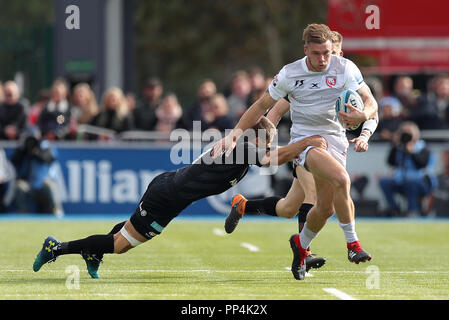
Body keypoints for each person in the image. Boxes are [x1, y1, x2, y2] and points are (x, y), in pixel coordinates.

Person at [32, 117, 327, 279]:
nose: (270, 145)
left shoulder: (241, 147)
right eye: (269, 140)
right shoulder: (245, 148)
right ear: (257, 138)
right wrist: (308, 142)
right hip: (167, 196)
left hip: (170, 195)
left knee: (124, 240)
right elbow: (273, 159)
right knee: (119, 244)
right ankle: (57, 248)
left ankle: (92, 252)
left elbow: (269, 151)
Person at [213, 24, 378, 280]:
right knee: (336, 182)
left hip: (336, 143)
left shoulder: (345, 70)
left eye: (328, 52)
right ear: (306, 51)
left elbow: (371, 103)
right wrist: (242, 136)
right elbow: (266, 107)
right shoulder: (291, 75)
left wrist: (363, 116)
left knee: (305, 208)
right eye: (317, 53)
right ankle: (350, 245)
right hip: (305, 143)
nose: (324, 59)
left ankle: (292, 239)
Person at [378, 121, 438, 217]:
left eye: (408, 132)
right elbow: (390, 162)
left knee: (411, 182)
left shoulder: (423, 147)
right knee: (384, 181)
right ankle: (394, 209)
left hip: (422, 182)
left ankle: (413, 210)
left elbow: (422, 164)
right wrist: (395, 145)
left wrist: (411, 152)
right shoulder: (399, 148)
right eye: (403, 132)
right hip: (402, 181)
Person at [11, 129, 63, 216]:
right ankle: (22, 212)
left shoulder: (45, 145)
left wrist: (36, 151)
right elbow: (15, 161)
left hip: (43, 184)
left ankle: (57, 210)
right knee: (19, 186)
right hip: (30, 184)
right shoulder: (24, 149)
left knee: (50, 184)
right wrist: (23, 149)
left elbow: (49, 158)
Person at [429, 150, 449, 216]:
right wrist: (426, 212)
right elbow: (432, 197)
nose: (447, 161)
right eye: (446, 158)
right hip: (439, 217)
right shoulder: (437, 178)